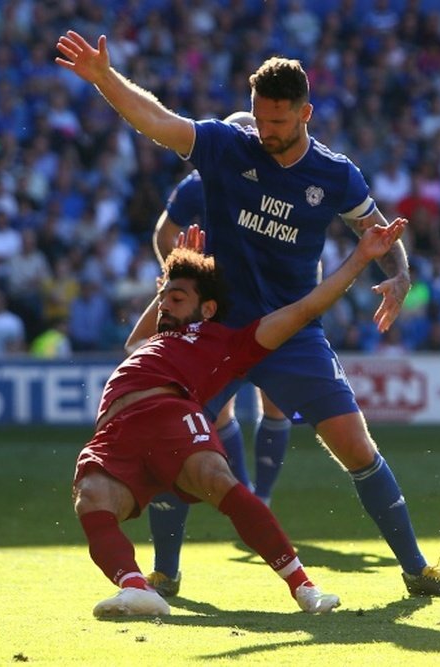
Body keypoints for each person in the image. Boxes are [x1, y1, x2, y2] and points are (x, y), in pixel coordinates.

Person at [56, 31, 440, 598]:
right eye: (259, 118)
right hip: (218, 329)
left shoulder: (335, 174)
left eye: (277, 122)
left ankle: (416, 570)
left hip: (292, 331)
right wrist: (106, 77)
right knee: (162, 438)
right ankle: (165, 574)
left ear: (305, 113)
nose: (266, 131)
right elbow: (156, 120)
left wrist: (399, 274)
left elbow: (375, 231)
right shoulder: (228, 146)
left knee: (357, 447)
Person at [75, 219, 404, 617]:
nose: (163, 306)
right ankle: (134, 586)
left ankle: (303, 588)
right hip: (114, 431)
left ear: (207, 309)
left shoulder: (228, 341)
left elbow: (306, 308)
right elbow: (134, 340)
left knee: (215, 479)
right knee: (91, 498)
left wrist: (360, 258)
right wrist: (174, 276)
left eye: (176, 300)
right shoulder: (157, 339)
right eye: (162, 299)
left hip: (170, 415)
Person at [148, 111, 292, 595]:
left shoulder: (281, 178)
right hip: (220, 316)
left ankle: (260, 498)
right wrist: (185, 278)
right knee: (205, 412)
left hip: (268, 310)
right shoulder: (199, 183)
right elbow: (163, 234)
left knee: (274, 401)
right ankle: (239, 501)